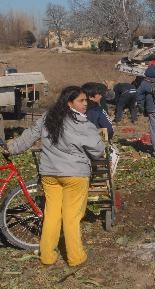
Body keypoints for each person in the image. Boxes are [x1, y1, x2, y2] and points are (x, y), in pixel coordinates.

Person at [5, 86, 105, 267]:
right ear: (69, 103)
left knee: (51, 215)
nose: (85, 104)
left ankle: (47, 256)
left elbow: (28, 137)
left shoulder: (47, 117)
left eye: (86, 101)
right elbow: (98, 151)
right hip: (75, 176)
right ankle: (76, 257)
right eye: (81, 101)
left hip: (50, 174)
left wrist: (10, 149)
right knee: (71, 217)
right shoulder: (84, 124)